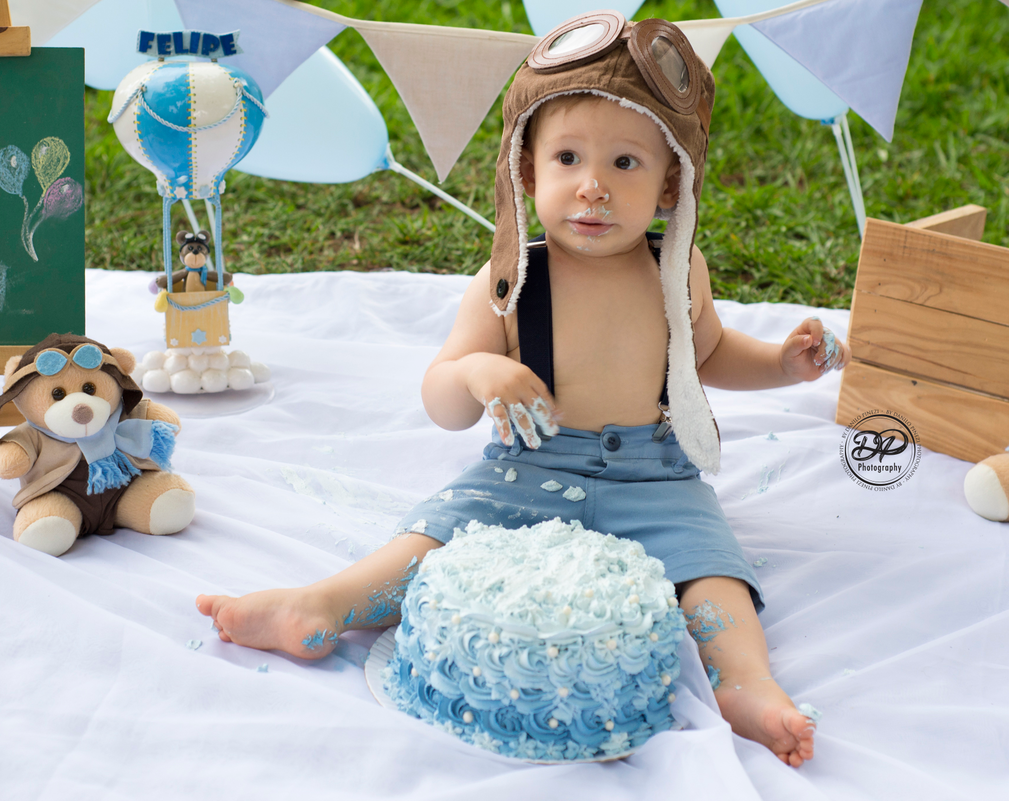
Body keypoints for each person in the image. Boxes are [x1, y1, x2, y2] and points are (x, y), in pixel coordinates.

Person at [196, 13, 849, 768]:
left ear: (672, 180)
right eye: (567, 157)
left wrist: (780, 364)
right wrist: (481, 373)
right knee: (432, 538)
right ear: (528, 171)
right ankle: (323, 604)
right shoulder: (511, 278)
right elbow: (440, 396)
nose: (594, 186)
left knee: (714, 572)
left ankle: (746, 683)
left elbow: (708, 354)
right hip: (530, 466)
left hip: (655, 473)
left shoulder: (678, 267)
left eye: (626, 163)